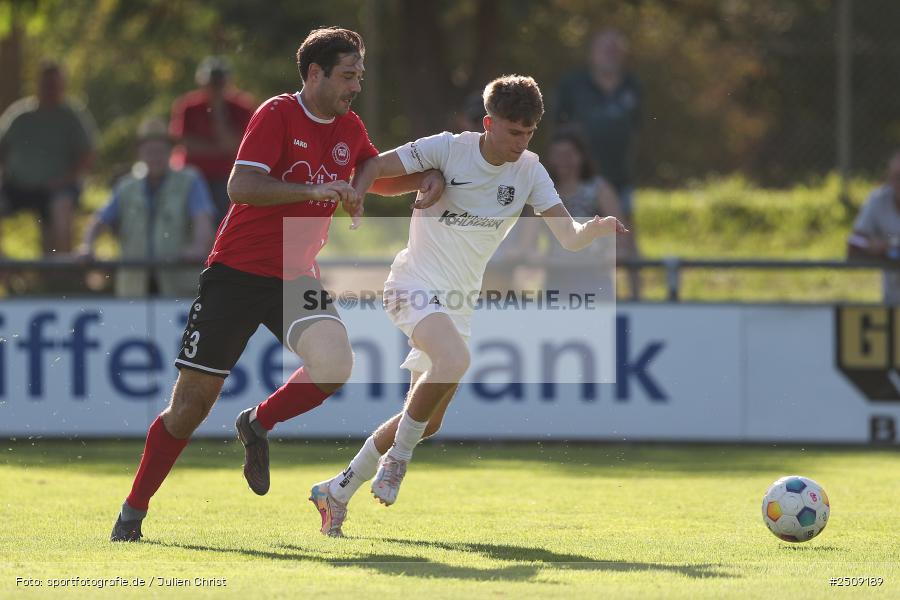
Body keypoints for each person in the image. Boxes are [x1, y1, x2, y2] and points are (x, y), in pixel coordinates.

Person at [109, 27, 445, 542]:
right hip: (234, 276)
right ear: (315, 74)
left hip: (294, 273)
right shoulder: (276, 114)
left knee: (335, 364)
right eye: (347, 76)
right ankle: (133, 510)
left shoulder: (349, 125)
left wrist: (425, 180)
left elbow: (371, 169)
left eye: (360, 76)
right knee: (189, 408)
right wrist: (317, 188)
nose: (355, 86)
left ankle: (256, 423)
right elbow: (240, 186)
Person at [308, 75, 628, 537]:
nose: (521, 142)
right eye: (513, 131)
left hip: (457, 302)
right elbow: (375, 165)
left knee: (427, 421)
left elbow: (567, 237)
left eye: (529, 133)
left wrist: (594, 229)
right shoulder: (447, 147)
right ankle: (396, 462)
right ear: (488, 123)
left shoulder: (531, 171)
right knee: (453, 361)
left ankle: (335, 491)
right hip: (411, 284)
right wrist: (386, 188)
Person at [76, 118, 216, 297]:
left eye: (160, 151)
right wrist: (87, 246)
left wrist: (198, 247)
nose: (155, 156)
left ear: (170, 152)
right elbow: (100, 220)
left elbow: (203, 220)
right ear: (140, 153)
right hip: (134, 289)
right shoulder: (126, 186)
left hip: (178, 287)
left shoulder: (190, 180)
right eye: (150, 151)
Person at [555, 29, 641, 298]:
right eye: (605, 49)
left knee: (626, 242)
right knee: (574, 242)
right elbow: (560, 127)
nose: (610, 55)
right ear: (592, 54)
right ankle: (565, 298)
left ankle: (638, 302)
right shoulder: (574, 86)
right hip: (581, 180)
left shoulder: (632, 87)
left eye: (615, 50)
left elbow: (636, 128)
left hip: (618, 177)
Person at [0, 60, 96, 255]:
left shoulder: (72, 116)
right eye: (46, 84)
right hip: (17, 187)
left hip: (58, 189)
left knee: (61, 207)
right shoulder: (20, 115)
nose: (49, 90)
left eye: (54, 84)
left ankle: (59, 271)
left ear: (63, 86)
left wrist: (66, 179)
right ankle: (6, 271)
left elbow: (88, 154)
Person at [538, 129, 636, 301]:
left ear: (581, 156)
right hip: (557, 275)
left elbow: (621, 233)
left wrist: (616, 252)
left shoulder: (598, 189)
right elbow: (529, 235)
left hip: (593, 275)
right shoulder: (543, 192)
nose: (563, 161)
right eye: (558, 155)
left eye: (569, 154)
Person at [169, 56, 255, 221]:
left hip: (226, 177)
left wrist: (218, 113)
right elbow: (185, 143)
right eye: (211, 83)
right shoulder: (188, 106)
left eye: (219, 83)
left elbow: (235, 146)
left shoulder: (241, 107)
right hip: (192, 175)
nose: (215, 88)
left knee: (223, 218)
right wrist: (219, 148)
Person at [847, 150, 900, 304]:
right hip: (892, 303)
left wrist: (891, 246)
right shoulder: (878, 200)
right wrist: (871, 245)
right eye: (897, 178)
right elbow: (854, 241)